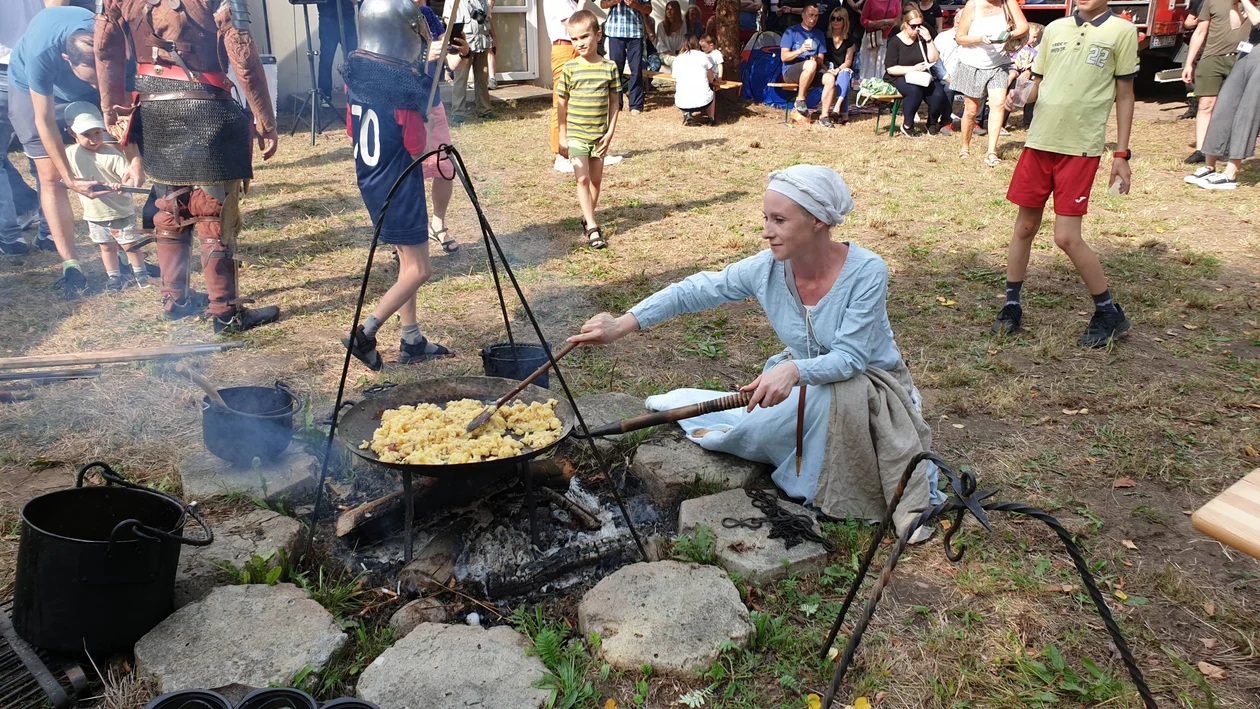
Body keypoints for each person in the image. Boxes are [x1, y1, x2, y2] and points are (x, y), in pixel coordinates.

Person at [568, 165, 942, 538]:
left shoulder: (867, 271)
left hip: (871, 388)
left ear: (817, 221)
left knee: (823, 401)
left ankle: (836, 485)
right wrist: (623, 323)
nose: (766, 231)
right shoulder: (767, 269)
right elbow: (696, 289)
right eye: (766, 218)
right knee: (751, 432)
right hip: (804, 383)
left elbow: (852, 359)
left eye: (779, 220)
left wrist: (794, 372)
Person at [97, 0, 282, 331]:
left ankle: (176, 299)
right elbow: (244, 59)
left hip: (152, 106)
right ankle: (225, 313)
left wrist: (111, 108)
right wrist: (265, 119)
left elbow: (105, 50)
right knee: (213, 211)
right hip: (207, 103)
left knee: (169, 204)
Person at [992, 0, 1137, 348]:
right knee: (1024, 226)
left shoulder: (1122, 31)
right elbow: (1039, 83)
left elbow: (1125, 94)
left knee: (1066, 237)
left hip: (1080, 147)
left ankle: (1108, 312)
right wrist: (1019, 95)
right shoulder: (1055, 29)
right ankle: (1012, 305)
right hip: (1039, 141)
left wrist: (1121, 154)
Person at [341, 0, 458, 370]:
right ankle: (365, 334)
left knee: (406, 262)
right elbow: (419, 148)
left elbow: (350, 130)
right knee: (420, 269)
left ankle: (411, 339)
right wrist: (422, 111)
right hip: (399, 182)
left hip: (371, 180)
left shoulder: (357, 77)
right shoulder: (405, 89)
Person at [9, 5, 140, 297]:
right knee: (50, 175)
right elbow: (43, 121)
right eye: (91, 79)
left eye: (100, 79)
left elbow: (123, 109)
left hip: (88, 80)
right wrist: (69, 178)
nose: (96, 85)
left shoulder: (114, 41)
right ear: (67, 59)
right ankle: (72, 266)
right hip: (30, 90)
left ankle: (120, 255)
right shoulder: (41, 54)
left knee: (105, 159)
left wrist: (135, 160)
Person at [62, 102, 156, 291]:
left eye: (96, 132)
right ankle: (114, 278)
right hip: (95, 214)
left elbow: (130, 182)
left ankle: (140, 273)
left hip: (120, 211)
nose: (92, 139)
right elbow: (65, 179)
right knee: (106, 247)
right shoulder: (70, 154)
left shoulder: (112, 155)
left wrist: (122, 186)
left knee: (130, 245)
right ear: (73, 134)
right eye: (86, 135)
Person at [557, 11, 620, 250]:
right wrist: (562, 135)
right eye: (574, 39)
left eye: (584, 36)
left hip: (599, 136)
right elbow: (561, 102)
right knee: (581, 178)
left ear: (598, 35)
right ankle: (593, 227)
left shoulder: (610, 68)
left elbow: (615, 102)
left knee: (595, 180)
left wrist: (610, 132)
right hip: (576, 135)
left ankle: (587, 216)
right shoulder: (570, 68)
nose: (580, 43)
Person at [1185, 0, 1260, 189]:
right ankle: (1209, 166)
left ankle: (1231, 173)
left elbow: (1258, 20)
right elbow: (1236, 24)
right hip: (1246, 54)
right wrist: (1235, 5)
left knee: (1246, 113)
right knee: (1223, 107)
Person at [953, 0, 1027, 166]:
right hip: (972, 63)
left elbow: (1024, 27)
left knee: (998, 104)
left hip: (999, 64)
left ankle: (991, 151)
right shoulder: (973, 4)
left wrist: (1010, 35)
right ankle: (965, 147)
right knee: (971, 110)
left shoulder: (1008, 3)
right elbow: (960, 37)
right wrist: (979, 38)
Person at [884, 4, 949, 135]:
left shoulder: (922, 38)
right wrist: (912, 68)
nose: (917, 29)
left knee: (939, 93)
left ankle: (932, 122)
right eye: (914, 26)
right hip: (900, 76)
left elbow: (934, 59)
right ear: (906, 24)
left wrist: (929, 40)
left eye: (920, 25)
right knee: (914, 91)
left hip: (922, 76)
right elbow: (891, 68)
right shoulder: (895, 42)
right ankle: (908, 125)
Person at [547, 0, 581, 173]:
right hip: (565, 49)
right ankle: (561, 156)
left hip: (572, 49)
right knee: (561, 104)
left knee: (576, 104)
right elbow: (576, 26)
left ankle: (581, 152)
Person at [602, 0, 652, 115]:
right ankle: (616, 104)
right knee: (615, 69)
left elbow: (648, 9)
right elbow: (603, 4)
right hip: (615, 31)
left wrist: (635, 5)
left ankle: (636, 105)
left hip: (635, 32)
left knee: (636, 69)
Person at [780, 3, 826, 113]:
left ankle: (825, 115)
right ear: (803, 15)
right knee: (810, 65)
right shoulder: (791, 31)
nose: (813, 19)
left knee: (830, 78)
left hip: (812, 69)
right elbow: (784, 57)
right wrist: (800, 50)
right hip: (791, 71)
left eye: (816, 16)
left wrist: (815, 58)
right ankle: (800, 99)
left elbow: (821, 60)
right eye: (811, 15)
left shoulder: (819, 34)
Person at [453, 0, 495, 120]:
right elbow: (447, 19)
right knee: (461, 79)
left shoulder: (484, 2)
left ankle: (485, 110)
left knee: (482, 78)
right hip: (465, 44)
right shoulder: (456, 1)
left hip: (482, 42)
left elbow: (488, 19)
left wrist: (494, 38)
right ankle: (458, 112)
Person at [818, 7, 857, 127]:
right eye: (833, 18)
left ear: (844, 21)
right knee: (842, 75)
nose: (835, 21)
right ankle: (843, 113)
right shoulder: (825, 37)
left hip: (841, 68)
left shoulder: (850, 40)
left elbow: (848, 61)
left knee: (844, 73)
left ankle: (837, 106)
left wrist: (838, 70)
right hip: (826, 68)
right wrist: (828, 70)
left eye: (839, 19)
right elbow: (821, 59)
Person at [316, 0, 358, 108]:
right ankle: (325, 96)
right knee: (326, 59)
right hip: (328, 20)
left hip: (347, 19)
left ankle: (356, 94)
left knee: (353, 59)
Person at [1004, 22, 1042, 129]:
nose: (1035, 40)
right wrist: (1014, 61)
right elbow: (1006, 57)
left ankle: (1028, 123)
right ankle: (1002, 89)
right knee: (1011, 75)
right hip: (1013, 70)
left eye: (1036, 37)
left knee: (1031, 85)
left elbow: (1037, 62)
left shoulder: (1033, 51)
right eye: (1033, 37)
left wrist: (1030, 66)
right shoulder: (1015, 46)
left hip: (1024, 75)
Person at [673, 34, 718, 124]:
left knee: (679, 88)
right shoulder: (703, 56)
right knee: (711, 88)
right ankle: (711, 118)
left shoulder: (678, 59)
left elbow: (675, 81)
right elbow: (711, 78)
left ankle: (686, 115)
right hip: (704, 101)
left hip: (682, 103)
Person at [859, 0, 901, 82]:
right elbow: (863, 20)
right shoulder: (870, 1)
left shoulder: (895, 1)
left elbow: (898, 19)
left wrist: (885, 22)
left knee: (883, 61)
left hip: (888, 36)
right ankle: (867, 83)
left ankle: (881, 83)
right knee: (869, 62)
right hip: (872, 37)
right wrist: (876, 24)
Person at [657, 1, 687, 67]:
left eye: (671, 9)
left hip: (679, 53)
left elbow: (683, 41)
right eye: (667, 9)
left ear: (677, 11)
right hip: (665, 54)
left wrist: (679, 54)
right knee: (676, 61)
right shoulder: (661, 25)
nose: (669, 11)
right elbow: (661, 45)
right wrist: (672, 54)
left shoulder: (683, 24)